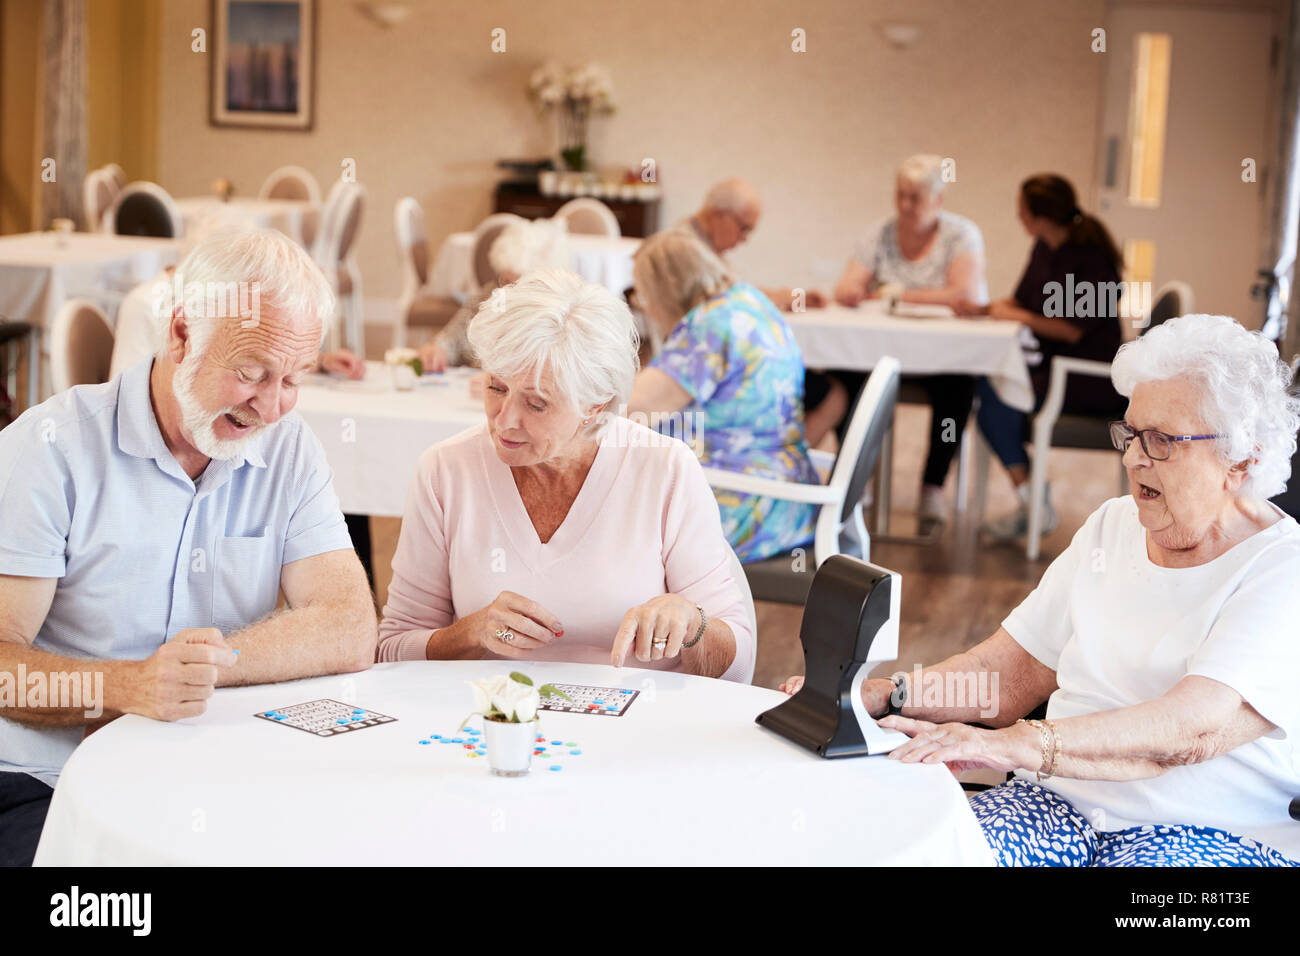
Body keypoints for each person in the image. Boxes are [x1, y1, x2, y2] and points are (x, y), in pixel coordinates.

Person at [783, 314, 1300, 866]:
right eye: (1130, 435)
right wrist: (891, 696)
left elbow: (1190, 730)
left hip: (1209, 833)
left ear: (1242, 459)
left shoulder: (1282, 568)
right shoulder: (1113, 525)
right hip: (1056, 803)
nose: (1133, 458)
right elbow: (1009, 677)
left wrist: (1021, 743)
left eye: (1162, 441)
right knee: (911, 853)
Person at [0, 230, 378, 866]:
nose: (271, 405)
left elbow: (349, 625)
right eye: (251, 373)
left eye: (292, 379)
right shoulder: (49, 448)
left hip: (210, 773)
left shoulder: (288, 447)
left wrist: (210, 665)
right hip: (45, 782)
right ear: (181, 335)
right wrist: (128, 687)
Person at [378, 268, 754, 682]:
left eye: (536, 404)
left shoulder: (664, 469)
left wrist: (691, 624)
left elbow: (737, 665)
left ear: (596, 404)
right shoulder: (445, 470)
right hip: (491, 728)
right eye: (496, 388)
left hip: (638, 729)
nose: (505, 422)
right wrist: (469, 634)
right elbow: (393, 648)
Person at [628, 229, 820, 563]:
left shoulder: (709, 327)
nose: (648, 309)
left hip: (746, 504)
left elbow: (631, 408)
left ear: (666, 292)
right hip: (786, 494)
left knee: (607, 520)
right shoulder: (748, 301)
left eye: (644, 297)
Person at [956, 173, 1127, 540]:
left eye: (1022, 211)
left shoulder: (1093, 261)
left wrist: (1014, 316)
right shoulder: (1044, 247)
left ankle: (1034, 504)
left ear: (1042, 217)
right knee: (989, 387)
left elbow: (1071, 330)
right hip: (1051, 367)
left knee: (995, 397)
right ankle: (1033, 499)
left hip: (1089, 378)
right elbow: (1022, 302)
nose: (1019, 217)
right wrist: (982, 309)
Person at [826, 154, 988, 519]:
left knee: (959, 387)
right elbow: (847, 286)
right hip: (883, 355)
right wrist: (854, 291)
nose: (904, 206)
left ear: (938, 200)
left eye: (915, 198)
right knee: (846, 377)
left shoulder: (962, 235)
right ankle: (857, 476)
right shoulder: (879, 233)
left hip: (941, 359)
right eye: (900, 195)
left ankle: (933, 484)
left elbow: (965, 296)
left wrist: (894, 294)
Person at [416, 218, 571, 373]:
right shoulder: (493, 294)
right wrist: (438, 350)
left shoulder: (559, 317)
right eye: (506, 280)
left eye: (521, 285)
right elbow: (455, 337)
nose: (508, 291)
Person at [676, 177, 826, 313]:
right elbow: (732, 302)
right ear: (719, 215)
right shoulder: (683, 248)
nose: (744, 239)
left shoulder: (703, 247)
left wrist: (798, 299)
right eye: (744, 228)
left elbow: (736, 289)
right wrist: (787, 298)